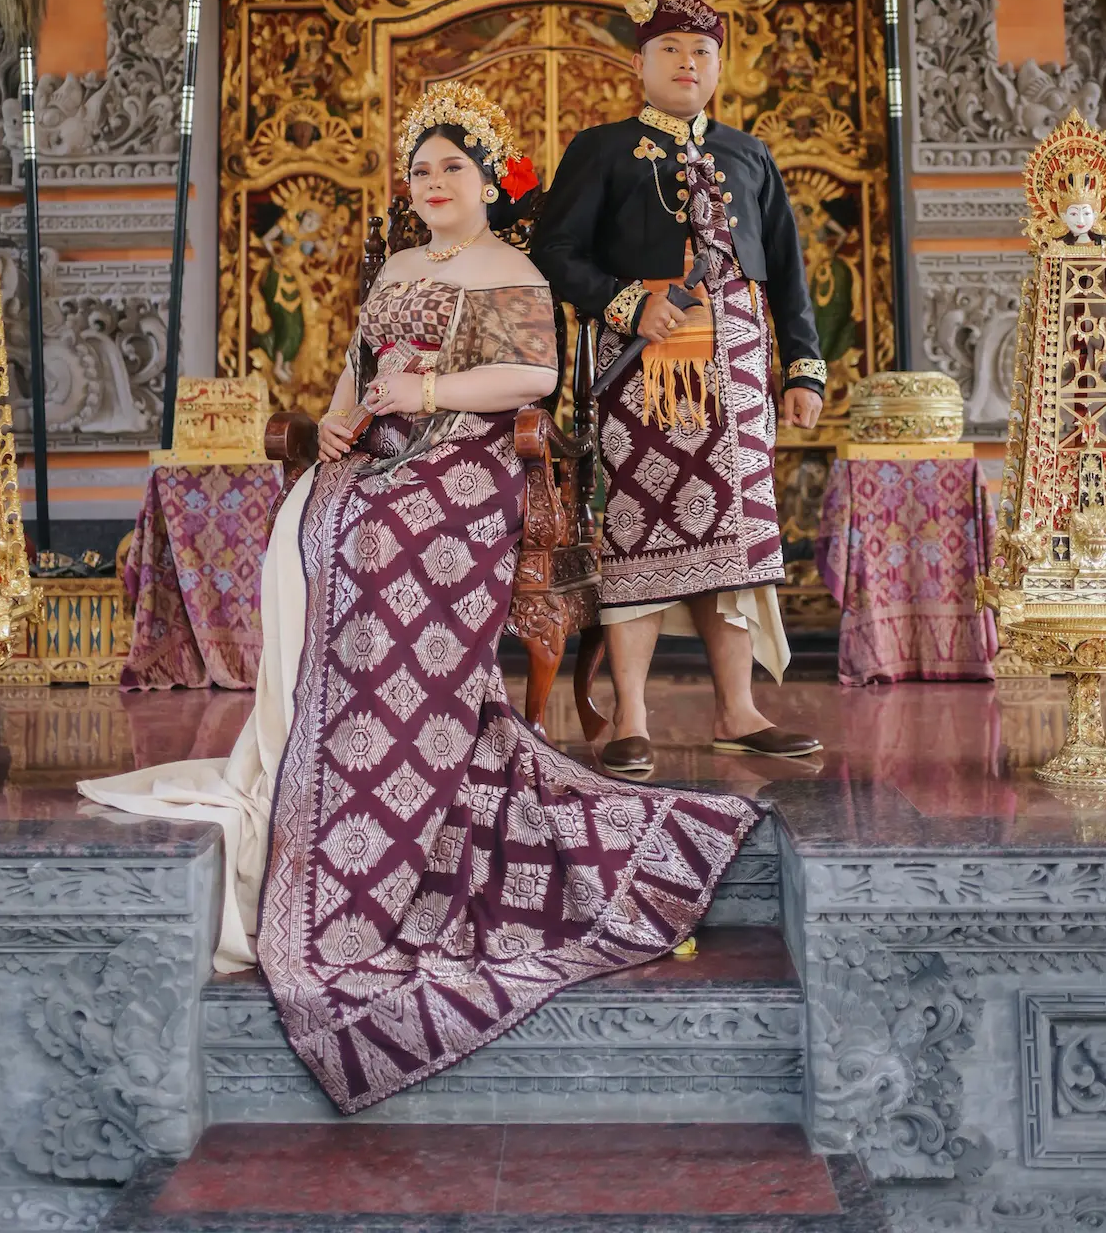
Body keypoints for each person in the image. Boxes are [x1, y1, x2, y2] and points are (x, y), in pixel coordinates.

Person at [80, 81, 760, 1115]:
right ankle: (330, 729)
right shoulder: (399, 267)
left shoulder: (511, 269)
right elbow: (359, 372)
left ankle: (390, 738)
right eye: (420, 171)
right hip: (386, 451)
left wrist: (429, 394)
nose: (434, 183)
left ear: (488, 182)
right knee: (312, 518)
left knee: (377, 531)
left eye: (452, 168)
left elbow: (532, 381)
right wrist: (340, 419)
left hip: (469, 462)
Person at [530, 0, 826, 778]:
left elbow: (788, 270)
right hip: (642, 373)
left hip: (739, 374)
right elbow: (554, 252)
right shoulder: (600, 149)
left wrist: (802, 368)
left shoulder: (748, 154)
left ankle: (738, 711)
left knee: (739, 538)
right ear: (640, 63)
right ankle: (630, 716)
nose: (687, 63)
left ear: (719, 67)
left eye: (701, 52)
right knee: (639, 533)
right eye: (670, 50)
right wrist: (626, 303)